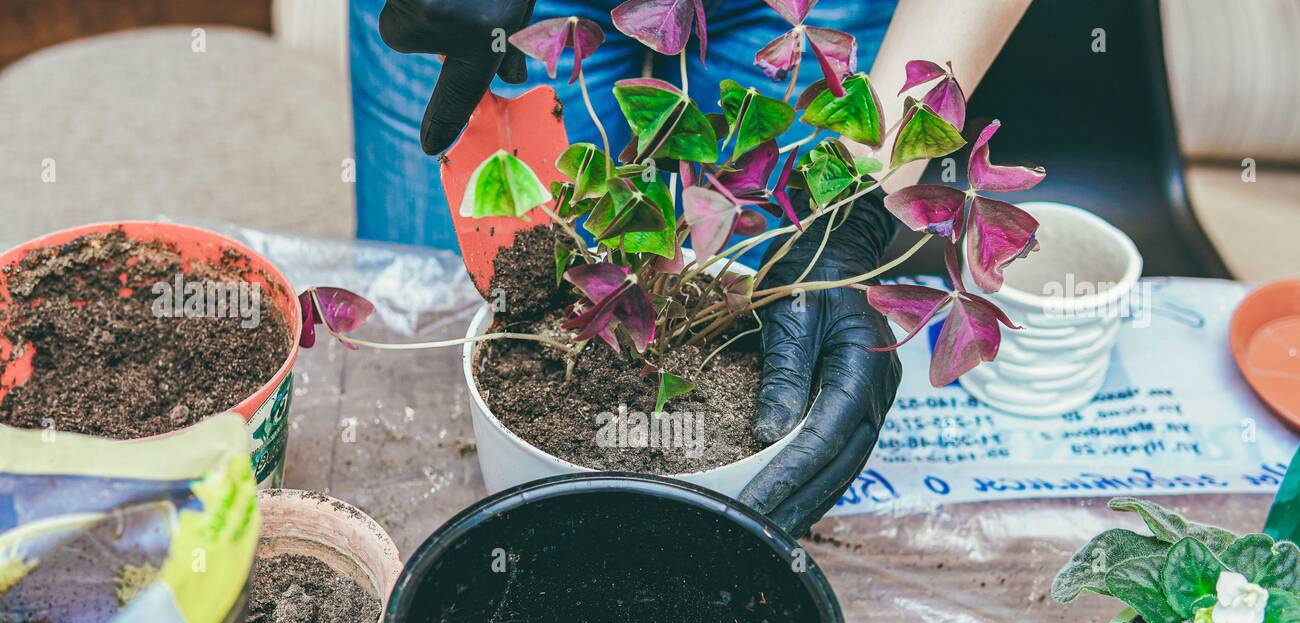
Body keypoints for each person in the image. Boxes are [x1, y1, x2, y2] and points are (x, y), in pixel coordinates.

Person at [350, 0, 1031, 536]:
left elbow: (832, 210)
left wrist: (860, 205)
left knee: (781, 280)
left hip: (793, 10)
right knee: (442, 304)